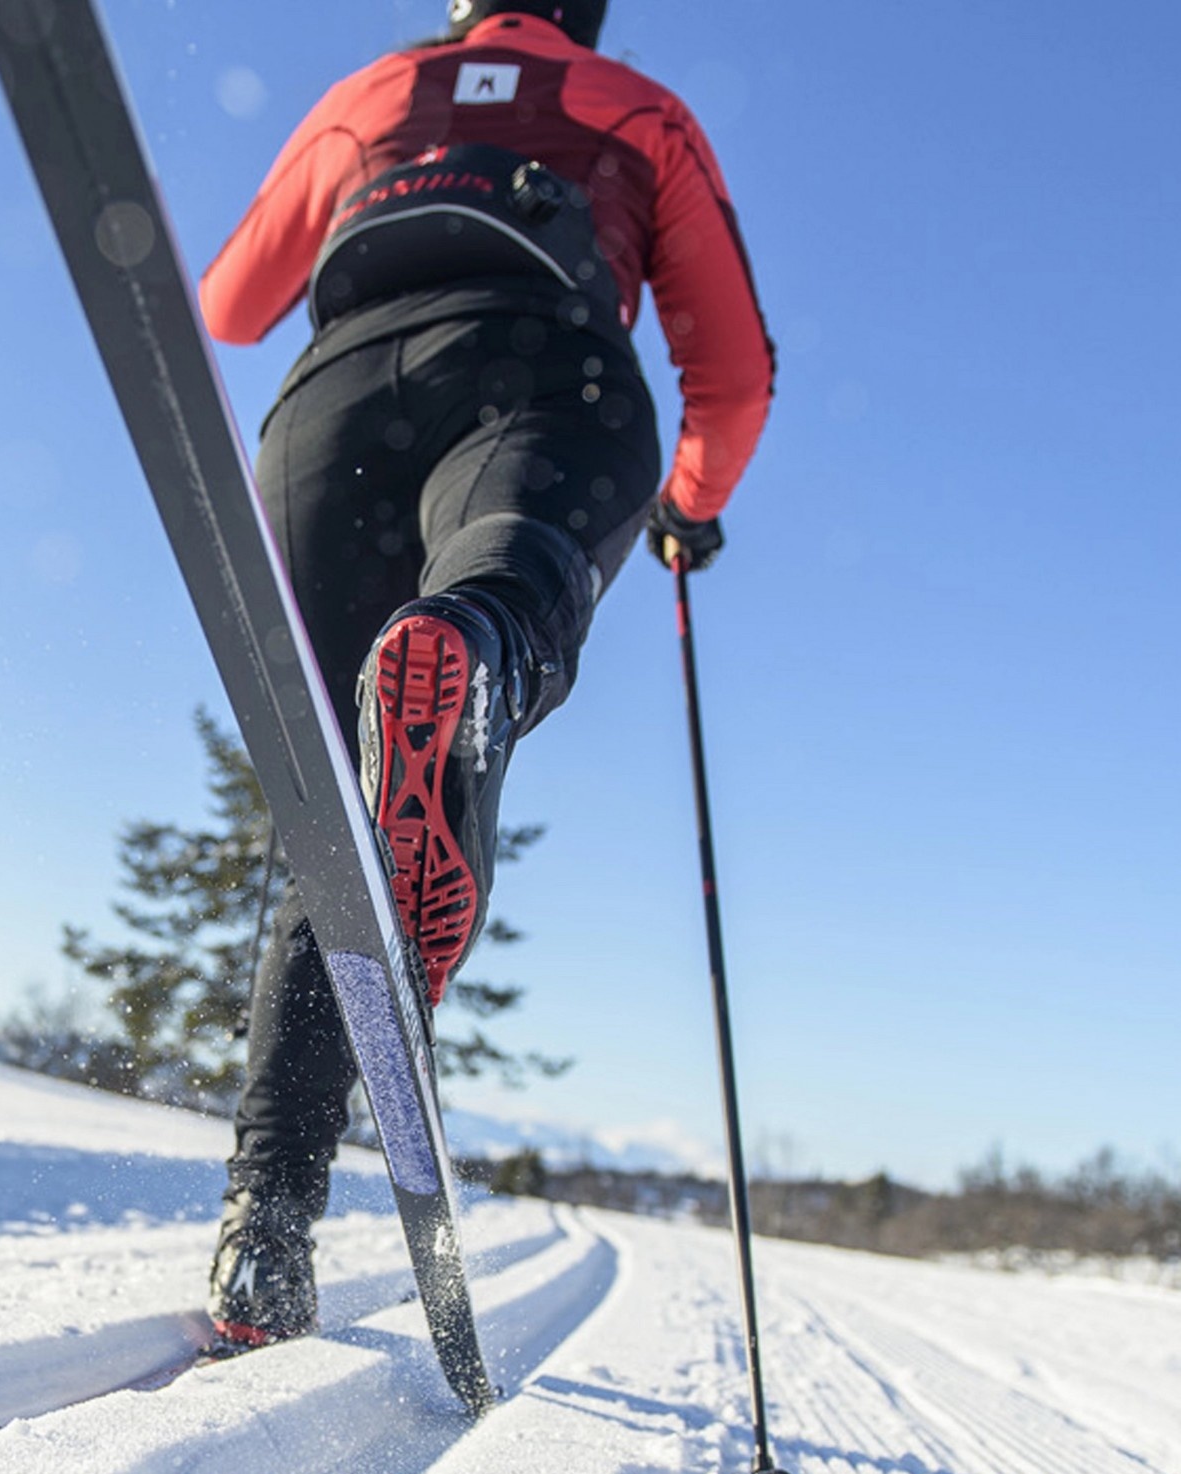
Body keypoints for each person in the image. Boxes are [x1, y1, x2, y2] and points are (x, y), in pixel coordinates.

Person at [198, 0, 774, 1349]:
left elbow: (231, 306)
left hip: (330, 406)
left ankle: (263, 1233)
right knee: (496, 596)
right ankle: (479, 649)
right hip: (544, 376)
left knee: (336, 833)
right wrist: (689, 505)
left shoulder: (372, 93)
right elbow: (732, 374)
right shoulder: (638, 110)